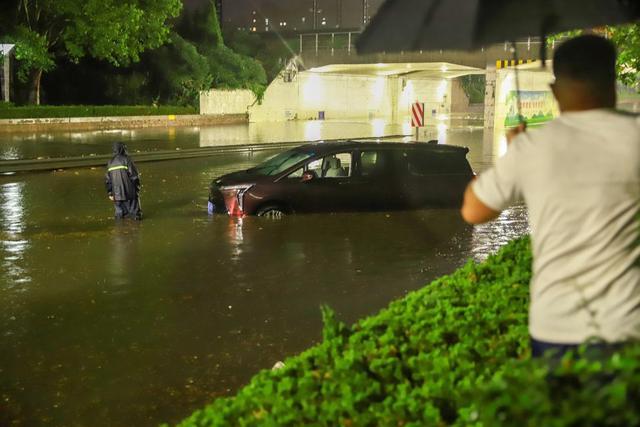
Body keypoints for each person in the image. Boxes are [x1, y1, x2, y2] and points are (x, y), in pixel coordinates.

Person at [461, 35, 640, 358]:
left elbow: (474, 210)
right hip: (628, 326)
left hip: (556, 328)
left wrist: (514, 156)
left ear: (556, 90)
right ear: (613, 81)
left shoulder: (533, 147)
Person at [105, 141, 142, 220]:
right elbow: (134, 177)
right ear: (123, 149)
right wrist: (137, 189)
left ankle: (120, 230)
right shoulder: (127, 160)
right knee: (135, 216)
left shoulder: (110, 162)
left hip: (117, 195)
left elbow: (108, 180)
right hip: (130, 193)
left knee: (120, 217)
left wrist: (110, 193)